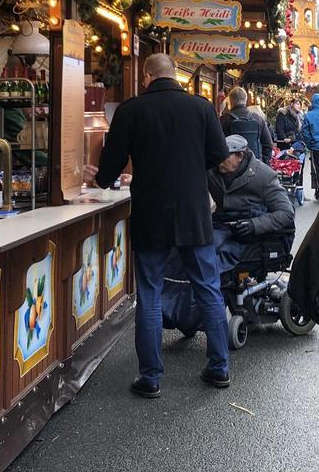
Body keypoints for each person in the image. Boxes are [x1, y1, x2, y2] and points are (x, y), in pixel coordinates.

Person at [85, 53, 231, 398]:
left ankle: (150, 377)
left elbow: (110, 167)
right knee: (208, 287)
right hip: (194, 214)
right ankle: (219, 367)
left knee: (149, 292)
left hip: (151, 214)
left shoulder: (131, 110)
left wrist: (102, 177)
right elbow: (219, 154)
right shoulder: (201, 107)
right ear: (174, 76)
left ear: (147, 76)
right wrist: (192, 165)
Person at [207, 134, 295, 247]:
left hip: (250, 234)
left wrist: (254, 225)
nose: (219, 161)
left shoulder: (264, 175)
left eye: (224, 157)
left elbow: (286, 213)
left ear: (239, 156)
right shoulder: (211, 171)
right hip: (222, 226)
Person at [220, 87, 273, 161]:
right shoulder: (258, 118)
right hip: (255, 164)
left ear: (231, 101)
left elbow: (217, 144)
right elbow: (268, 144)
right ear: (245, 100)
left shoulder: (223, 120)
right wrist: (264, 162)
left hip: (232, 166)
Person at [299, 93, 319, 201]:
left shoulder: (309, 115)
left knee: (318, 170)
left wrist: (310, 145)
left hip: (316, 146)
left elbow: (305, 132)